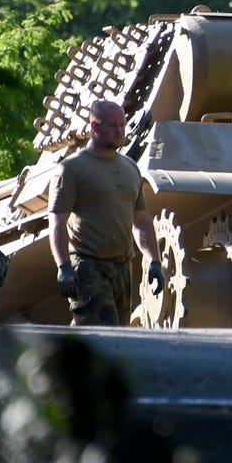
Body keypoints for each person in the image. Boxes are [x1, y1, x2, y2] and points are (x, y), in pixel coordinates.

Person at [47, 99, 166, 326]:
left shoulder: (130, 168)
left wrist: (154, 261)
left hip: (122, 266)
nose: (119, 131)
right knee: (101, 336)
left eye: (122, 125)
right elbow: (57, 221)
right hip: (88, 264)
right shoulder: (71, 168)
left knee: (118, 335)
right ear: (94, 127)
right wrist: (63, 267)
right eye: (112, 126)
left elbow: (140, 220)